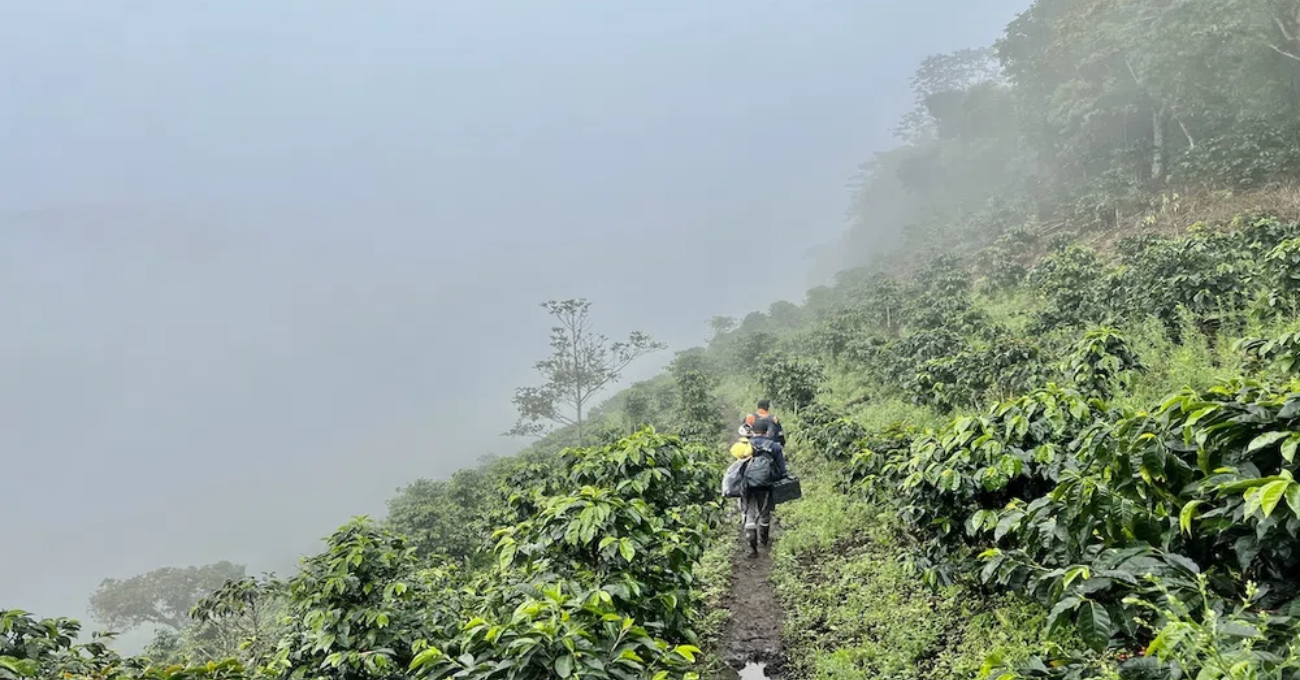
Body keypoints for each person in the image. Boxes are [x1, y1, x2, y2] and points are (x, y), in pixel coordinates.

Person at [741, 419, 787, 557]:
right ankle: (764, 540)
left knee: (749, 513)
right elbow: (782, 469)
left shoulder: (745, 445)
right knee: (765, 512)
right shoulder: (774, 446)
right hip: (766, 485)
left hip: (748, 485)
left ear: (753, 431)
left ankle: (753, 548)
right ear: (767, 432)